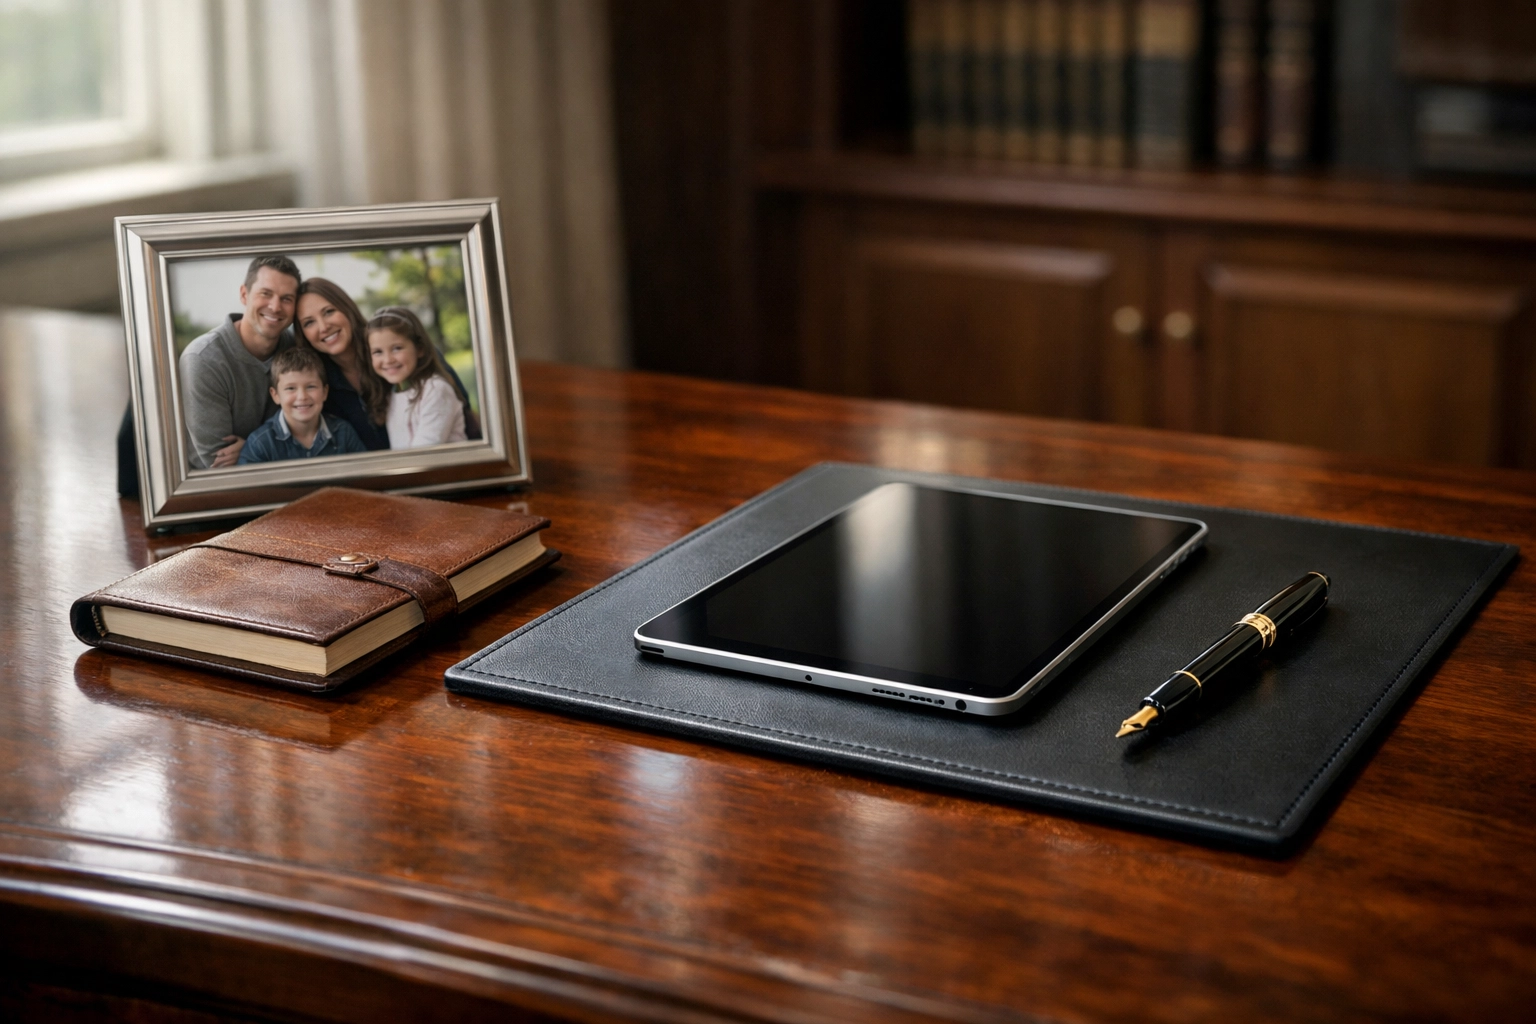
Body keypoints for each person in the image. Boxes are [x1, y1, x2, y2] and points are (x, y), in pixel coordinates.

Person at [178, 255, 299, 469]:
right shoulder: (203, 360)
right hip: (208, 491)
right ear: (244, 294)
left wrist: (250, 447)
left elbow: (311, 437)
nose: (275, 306)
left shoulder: (297, 351)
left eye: (287, 298)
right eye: (266, 293)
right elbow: (217, 461)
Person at [293, 278, 391, 450]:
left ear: (346, 308)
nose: (323, 327)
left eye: (329, 312)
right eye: (309, 323)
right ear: (303, 334)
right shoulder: (316, 389)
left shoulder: (393, 353)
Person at [237, 346, 366, 464]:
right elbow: (245, 489)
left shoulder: (343, 432)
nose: (302, 396)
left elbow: (364, 478)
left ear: (325, 392)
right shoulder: (260, 443)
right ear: (275, 395)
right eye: (290, 388)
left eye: (310, 387)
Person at [366, 307, 467, 448]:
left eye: (397, 348)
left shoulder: (435, 389)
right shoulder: (391, 394)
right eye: (378, 352)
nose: (388, 360)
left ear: (420, 349)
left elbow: (424, 454)